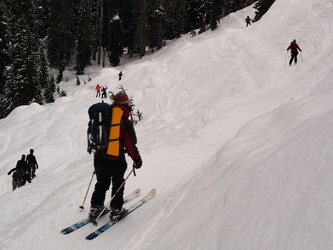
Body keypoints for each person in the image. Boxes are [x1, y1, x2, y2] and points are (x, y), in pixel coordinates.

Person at [89, 92, 142, 222]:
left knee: (101, 183)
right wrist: (137, 158)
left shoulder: (104, 116)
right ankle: (116, 210)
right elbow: (130, 143)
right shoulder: (124, 121)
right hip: (115, 160)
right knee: (118, 184)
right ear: (126, 104)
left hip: (99, 157)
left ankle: (96, 208)